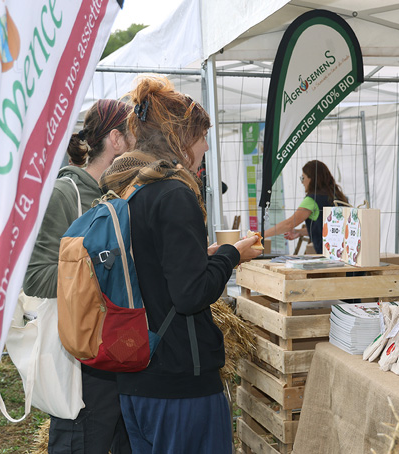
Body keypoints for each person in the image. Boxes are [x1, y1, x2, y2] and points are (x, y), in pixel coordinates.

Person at [98, 74, 261, 454]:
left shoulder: (127, 190)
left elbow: (153, 269)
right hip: (179, 382)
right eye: (202, 136)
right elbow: (190, 295)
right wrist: (230, 255)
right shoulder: (174, 193)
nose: (206, 145)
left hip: (137, 377)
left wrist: (201, 257)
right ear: (181, 138)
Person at [23, 99, 135, 454]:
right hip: (83, 360)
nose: (142, 142)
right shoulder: (64, 194)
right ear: (116, 140)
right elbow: (36, 277)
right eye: (135, 134)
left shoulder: (121, 195)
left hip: (121, 351)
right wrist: (106, 264)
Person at [264, 160, 348, 254]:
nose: (302, 182)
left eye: (303, 178)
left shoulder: (311, 200)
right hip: (346, 253)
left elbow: (289, 224)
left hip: (328, 255)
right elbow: (329, 229)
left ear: (311, 179)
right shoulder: (340, 197)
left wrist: (261, 235)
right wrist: (299, 232)